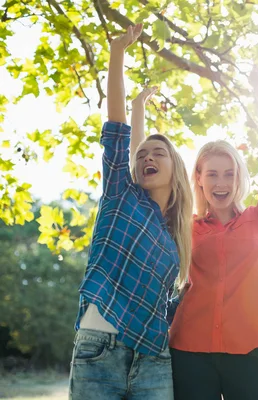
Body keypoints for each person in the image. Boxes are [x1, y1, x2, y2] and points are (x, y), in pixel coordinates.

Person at [69, 23, 193, 400]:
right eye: (142, 155)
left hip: (154, 356)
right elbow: (120, 131)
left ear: (175, 168)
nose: (147, 157)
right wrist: (118, 52)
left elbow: (163, 301)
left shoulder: (175, 235)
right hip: (100, 347)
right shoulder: (121, 194)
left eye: (159, 153)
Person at [167, 60, 258, 400]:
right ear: (199, 180)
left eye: (229, 173)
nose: (221, 182)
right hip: (189, 349)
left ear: (239, 178)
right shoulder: (183, 227)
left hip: (246, 349)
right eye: (212, 174)